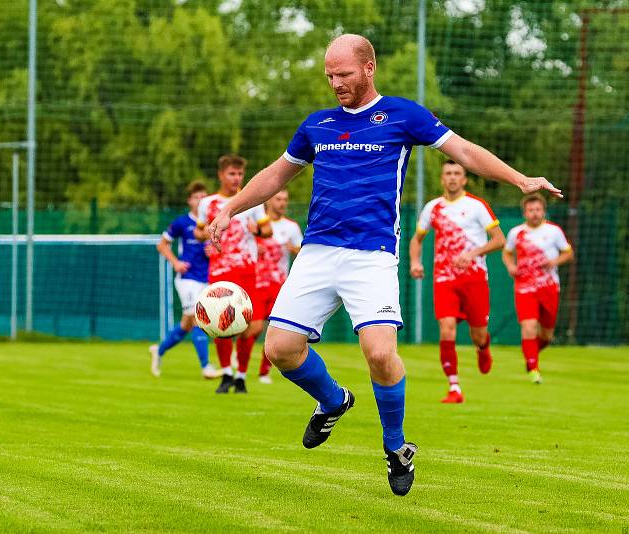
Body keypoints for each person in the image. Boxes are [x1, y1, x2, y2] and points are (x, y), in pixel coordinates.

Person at [206, 34, 562, 496]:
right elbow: (277, 173)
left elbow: (466, 153)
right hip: (316, 251)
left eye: (345, 74)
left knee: (378, 352)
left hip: (371, 255)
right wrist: (230, 207)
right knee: (279, 350)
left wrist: (520, 179)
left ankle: (396, 447)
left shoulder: (404, 115)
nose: (336, 83)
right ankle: (333, 400)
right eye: (330, 75)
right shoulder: (317, 125)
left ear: (369, 68)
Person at [409, 160, 505, 403]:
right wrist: (415, 262)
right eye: (448, 173)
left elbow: (499, 240)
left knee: (479, 334)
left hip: (474, 278)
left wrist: (472, 254)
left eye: (457, 173)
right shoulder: (433, 208)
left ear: (464, 179)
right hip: (444, 278)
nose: (452, 177)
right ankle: (454, 387)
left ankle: (483, 348)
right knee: (447, 328)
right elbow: (417, 239)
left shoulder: (477, 206)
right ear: (442, 179)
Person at [194, 154, 272, 394]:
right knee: (221, 322)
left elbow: (268, 230)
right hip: (220, 270)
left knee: (253, 326)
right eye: (231, 173)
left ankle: (241, 375)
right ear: (221, 175)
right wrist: (206, 236)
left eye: (239, 174)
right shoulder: (208, 203)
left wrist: (257, 229)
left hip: (248, 270)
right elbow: (198, 233)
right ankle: (227, 374)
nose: (236, 178)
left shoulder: (252, 201)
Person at [150, 181, 221, 379]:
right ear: (190, 200)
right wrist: (175, 263)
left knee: (186, 324)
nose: (200, 201)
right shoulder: (182, 222)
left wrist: (214, 251)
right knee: (199, 319)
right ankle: (206, 367)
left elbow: (222, 248)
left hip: (206, 278)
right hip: (187, 278)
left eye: (204, 197)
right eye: (197, 197)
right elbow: (162, 244)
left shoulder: (214, 223)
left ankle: (159, 350)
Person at [502, 194, 573, 384]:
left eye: (538, 210)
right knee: (529, 326)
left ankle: (530, 353)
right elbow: (507, 253)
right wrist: (511, 267)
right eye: (531, 210)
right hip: (525, 287)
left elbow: (568, 252)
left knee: (546, 335)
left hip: (549, 287)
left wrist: (554, 261)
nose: (534, 213)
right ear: (525, 213)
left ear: (543, 211)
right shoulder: (516, 233)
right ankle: (533, 368)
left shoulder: (554, 231)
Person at [255, 190, 303, 384]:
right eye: (278, 199)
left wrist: (295, 249)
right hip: (257, 282)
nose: (282, 203)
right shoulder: (258, 224)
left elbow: (303, 250)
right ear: (268, 200)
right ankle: (238, 361)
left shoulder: (291, 227)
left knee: (274, 329)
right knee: (253, 327)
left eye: (285, 199)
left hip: (280, 284)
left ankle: (264, 371)